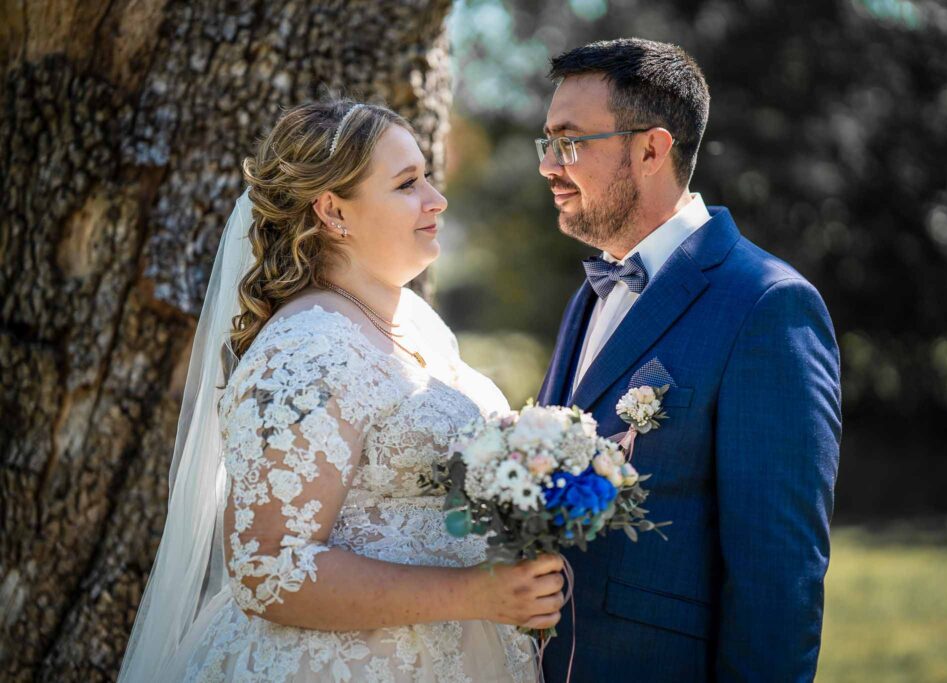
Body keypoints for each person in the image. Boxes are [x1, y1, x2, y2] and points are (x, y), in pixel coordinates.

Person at [118, 99, 563, 682]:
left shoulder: (417, 321)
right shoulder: (306, 349)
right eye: (407, 184)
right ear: (333, 211)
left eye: (427, 177)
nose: (437, 199)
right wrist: (476, 594)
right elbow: (266, 569)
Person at [536, 39, 842, 681]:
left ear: (651, 149)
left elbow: (779, 579)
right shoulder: (591, 294)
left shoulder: (767, 306)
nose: (549, 166)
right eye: (548, 143)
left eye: (570, 142)